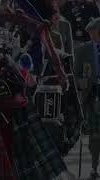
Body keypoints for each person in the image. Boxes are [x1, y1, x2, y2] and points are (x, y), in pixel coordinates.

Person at [74, 17, 100, 179]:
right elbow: (76, 74)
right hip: (92, 94)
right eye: (90, 33)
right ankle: (94, 166)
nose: (91, 35)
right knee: (95, 135)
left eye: (94, 32)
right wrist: (82, 83)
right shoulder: (83, 50)